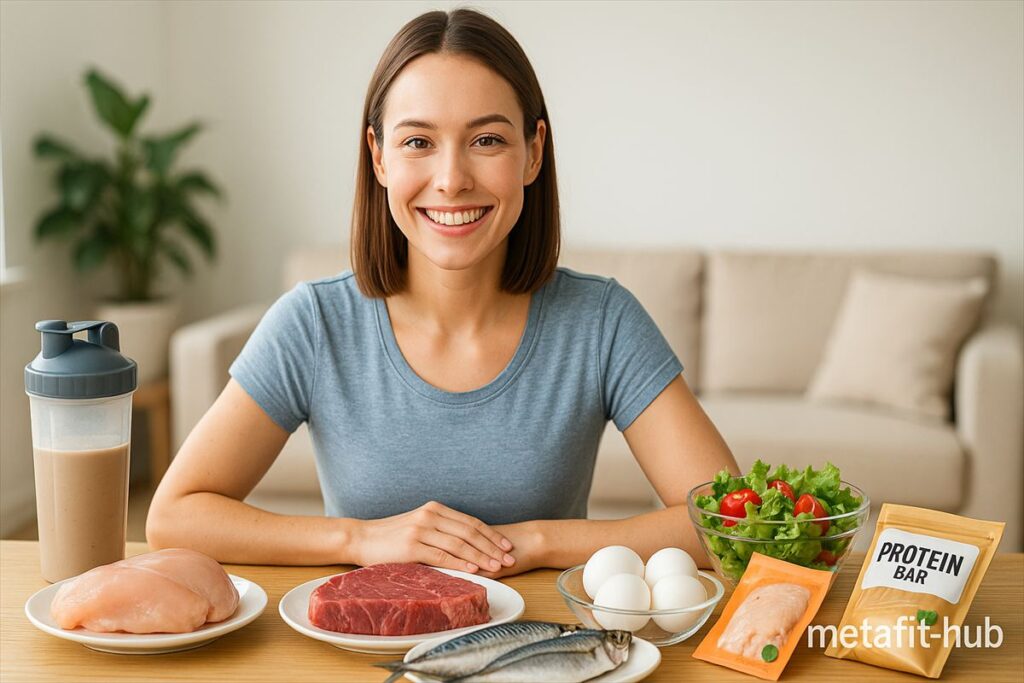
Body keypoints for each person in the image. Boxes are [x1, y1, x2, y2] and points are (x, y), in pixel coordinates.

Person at [147, 8, 739, 579]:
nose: (452, 179)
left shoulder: (602, 320)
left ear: (533, 152)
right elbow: (175, 516)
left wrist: (535, 539)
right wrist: (359, 538)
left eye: (486, 141)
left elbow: (732, 521)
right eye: (418, 142)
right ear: (378, 157)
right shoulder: (315, 322)